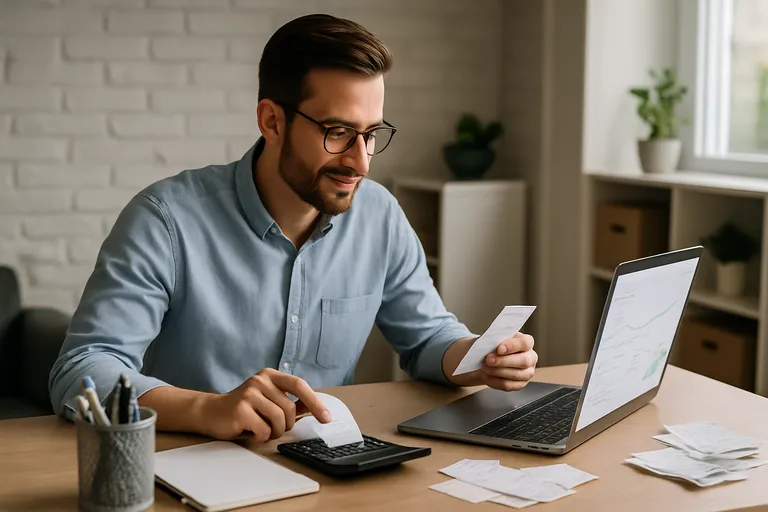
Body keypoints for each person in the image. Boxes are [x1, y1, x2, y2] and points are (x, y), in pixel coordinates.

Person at [49, 13, 538, 442]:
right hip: (189, 465)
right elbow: (83, 370)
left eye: (371, 135)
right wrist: (206, 408)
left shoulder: (379, 215)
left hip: (328, 467)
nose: (361, 162)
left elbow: (427, 337)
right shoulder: (166, 219)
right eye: (338, 132)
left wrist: (478, 357)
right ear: (272, 121)